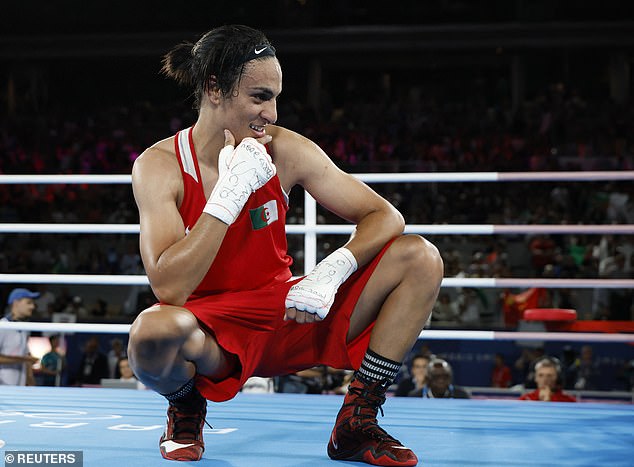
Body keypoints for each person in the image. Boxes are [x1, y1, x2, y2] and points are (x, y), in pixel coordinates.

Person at [127, 24, 443, 466]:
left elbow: (385, 215)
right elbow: (169, 289)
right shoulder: (159, 166)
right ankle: (186, 405)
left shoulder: (284, 149)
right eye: (259, 97)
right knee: (150, 333)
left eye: (275, 97)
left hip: (288, 313)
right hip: (212, 335)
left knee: (420, 257)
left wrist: (331, 273)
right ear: (215, 89)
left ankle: (357, 421)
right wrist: (227, 199)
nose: (272, 113)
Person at [0, 288, 40, 385]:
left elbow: (25, 355)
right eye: (29, 303)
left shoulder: (25, 327)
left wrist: (30, 381)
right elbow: (26, 358)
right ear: (16, 303)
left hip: (18, 388)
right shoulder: (2, 326)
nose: (32, 306)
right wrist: (25, 359)